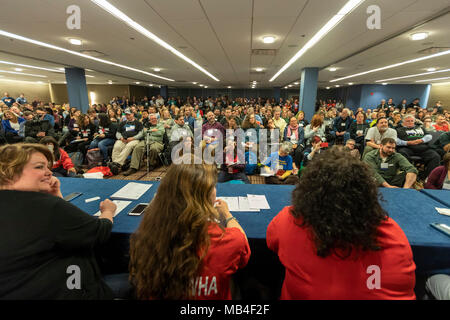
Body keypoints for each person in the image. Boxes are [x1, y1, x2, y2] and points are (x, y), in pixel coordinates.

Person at [266, 146, 416, 299]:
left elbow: (271, 242)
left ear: (308, 190)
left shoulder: (289, 219)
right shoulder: (395, 236)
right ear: (367, 192)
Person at [0, 143, 118, 299]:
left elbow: (62, 227)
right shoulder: (45, 206)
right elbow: (98, 232)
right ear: (10, 171)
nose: (49, 172)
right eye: (39, 167)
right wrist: (108, 211)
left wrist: (56, 195)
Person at [129, 163, 250, 299]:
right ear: (204, 197)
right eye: (212, 187)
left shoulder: (148, 234)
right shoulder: (227, 240)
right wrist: (227, 215)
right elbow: (242, 241)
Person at [396, 114, 441, 179]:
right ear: (403, 122)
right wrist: (407, 143)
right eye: (408, 121)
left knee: (435, 156)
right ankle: (407, 176)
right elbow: (396, 140)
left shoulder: (420, 127)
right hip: (407, 148)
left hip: (422, 147)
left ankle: (426, 177)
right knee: (402, 154)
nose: (410, 122)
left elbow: (429, 136)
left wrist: (421, 140)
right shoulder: (399, 129)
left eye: (412, 121)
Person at [108, 109, 144, 175]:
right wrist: (121, 138)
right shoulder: (122, 123)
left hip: (134, 139)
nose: (128, 116)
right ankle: (115, 167)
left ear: (132, 114)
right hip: (123, 139)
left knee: (128, 146)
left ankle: (117, 164)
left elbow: (141, 134)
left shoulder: (138, 123)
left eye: (129, 115)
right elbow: (117, 133)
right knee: (117, 146)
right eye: (126, 115)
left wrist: (133, 138)